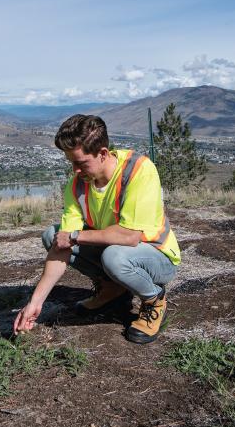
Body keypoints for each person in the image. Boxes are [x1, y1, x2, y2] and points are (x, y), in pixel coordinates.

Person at [14, 115, 180, 344]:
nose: (75, 171)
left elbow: (129, 236)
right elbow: (62, 244)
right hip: (116, 251)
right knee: (53, 236)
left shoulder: (138, 170)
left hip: (156, 257)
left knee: (114, 255)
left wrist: (75, 236)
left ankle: (154, 299)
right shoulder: (78, 184)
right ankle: (113, 290)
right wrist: (36, 302)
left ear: (103, 153)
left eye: (81, 163)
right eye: (71, 163)